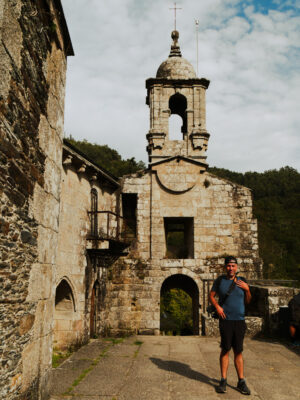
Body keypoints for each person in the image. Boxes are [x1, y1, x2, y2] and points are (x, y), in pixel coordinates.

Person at [209, 256, 252, 395]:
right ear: (225, 267)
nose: (231, 268)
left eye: (233, 266)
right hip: (225, 320)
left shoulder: (242, 281)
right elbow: (211, 295)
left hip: (239, 320)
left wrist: (247, 290)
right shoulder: (220, 280)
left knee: (238, 351)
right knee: (225, 349)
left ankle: (241, 381)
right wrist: (217, 307)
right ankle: (223, 380)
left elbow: (248, 300)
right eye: (228, 266)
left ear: (237, 267)